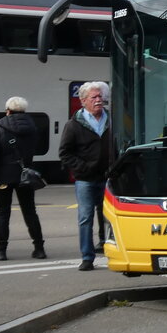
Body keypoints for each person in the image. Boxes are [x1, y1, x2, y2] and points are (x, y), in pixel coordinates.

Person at [0, 96, 45, 261]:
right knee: (30, 212)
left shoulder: (0, 128)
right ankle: (39, 248)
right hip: (25, 177)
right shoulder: (32, 128)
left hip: (2, 177)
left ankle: (2, 251)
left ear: (8, 110)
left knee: (2, 214)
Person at [60, 81, 112, 271]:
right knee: (85, 217)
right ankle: (87, 257)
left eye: (101, 96)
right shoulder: (73, 125)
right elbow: (64, 153)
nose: (99, 100)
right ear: (83, 101)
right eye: (94, 97)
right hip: (85, 179)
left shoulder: (112, 120)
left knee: (109, 217)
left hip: (107, 177)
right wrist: (82, 167)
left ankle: (110, 249)